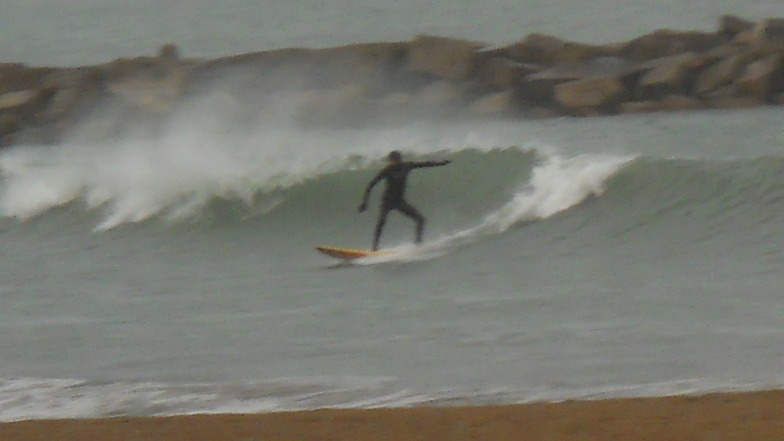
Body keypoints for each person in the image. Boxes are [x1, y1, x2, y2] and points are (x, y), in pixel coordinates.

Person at [358, 150, 451, 250]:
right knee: (381, 223)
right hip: (387, 202)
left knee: (420, 220)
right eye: (392, 161)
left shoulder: (406, 166)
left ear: (399, 160)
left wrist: (442, 163)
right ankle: (374, 248)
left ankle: (418, 244)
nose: (393, 163)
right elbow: (370, 185)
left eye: (395, 160)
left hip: (399, 201)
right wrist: (365, 203)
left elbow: (424, 164)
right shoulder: (387, 170)